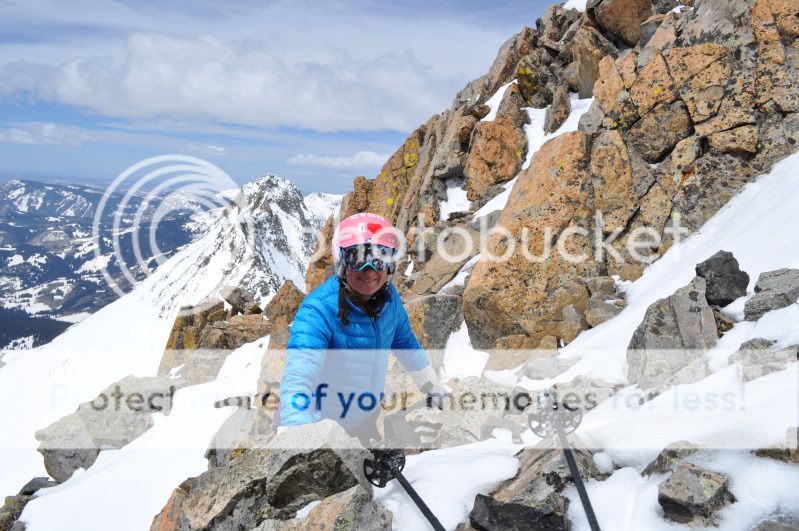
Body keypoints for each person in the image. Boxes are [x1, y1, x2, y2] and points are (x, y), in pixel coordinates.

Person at [277, 212, 445, 445]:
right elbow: (300, 375)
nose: (369, 270)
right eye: (357, 258)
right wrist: (300, 436)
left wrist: (432, 387)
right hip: (326, 432)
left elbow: (406, 345)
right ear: (342, 263)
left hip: (366, 419)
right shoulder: (318, 310)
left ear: (390, 264)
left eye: (379, 258)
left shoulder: (390, 301)